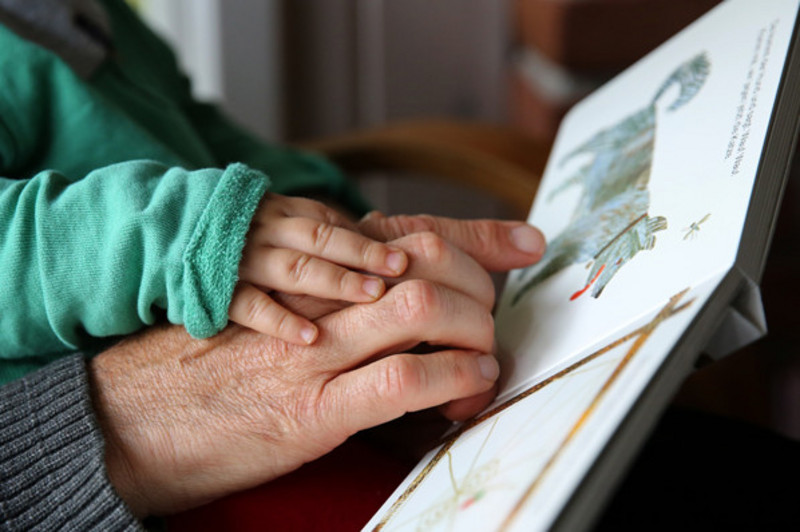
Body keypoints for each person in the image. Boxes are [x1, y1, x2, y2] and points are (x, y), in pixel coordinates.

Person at [0, 0, 546, 528]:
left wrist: (327, 227)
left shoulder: (94, 13)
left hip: (289, 390)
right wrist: (186, 233)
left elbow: (208, 136)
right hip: (150, 485)